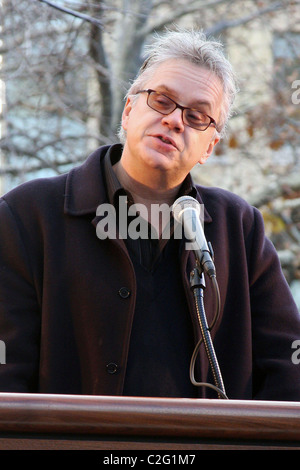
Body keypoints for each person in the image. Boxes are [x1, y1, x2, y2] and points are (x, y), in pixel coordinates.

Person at [0, 28, 300, 400]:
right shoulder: (27, 216)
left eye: (197, 116)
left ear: (210, 147)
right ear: (128, 110)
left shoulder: (241, 228)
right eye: (162, 100)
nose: (175, 120)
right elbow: (6, 376)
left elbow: (289, 366)